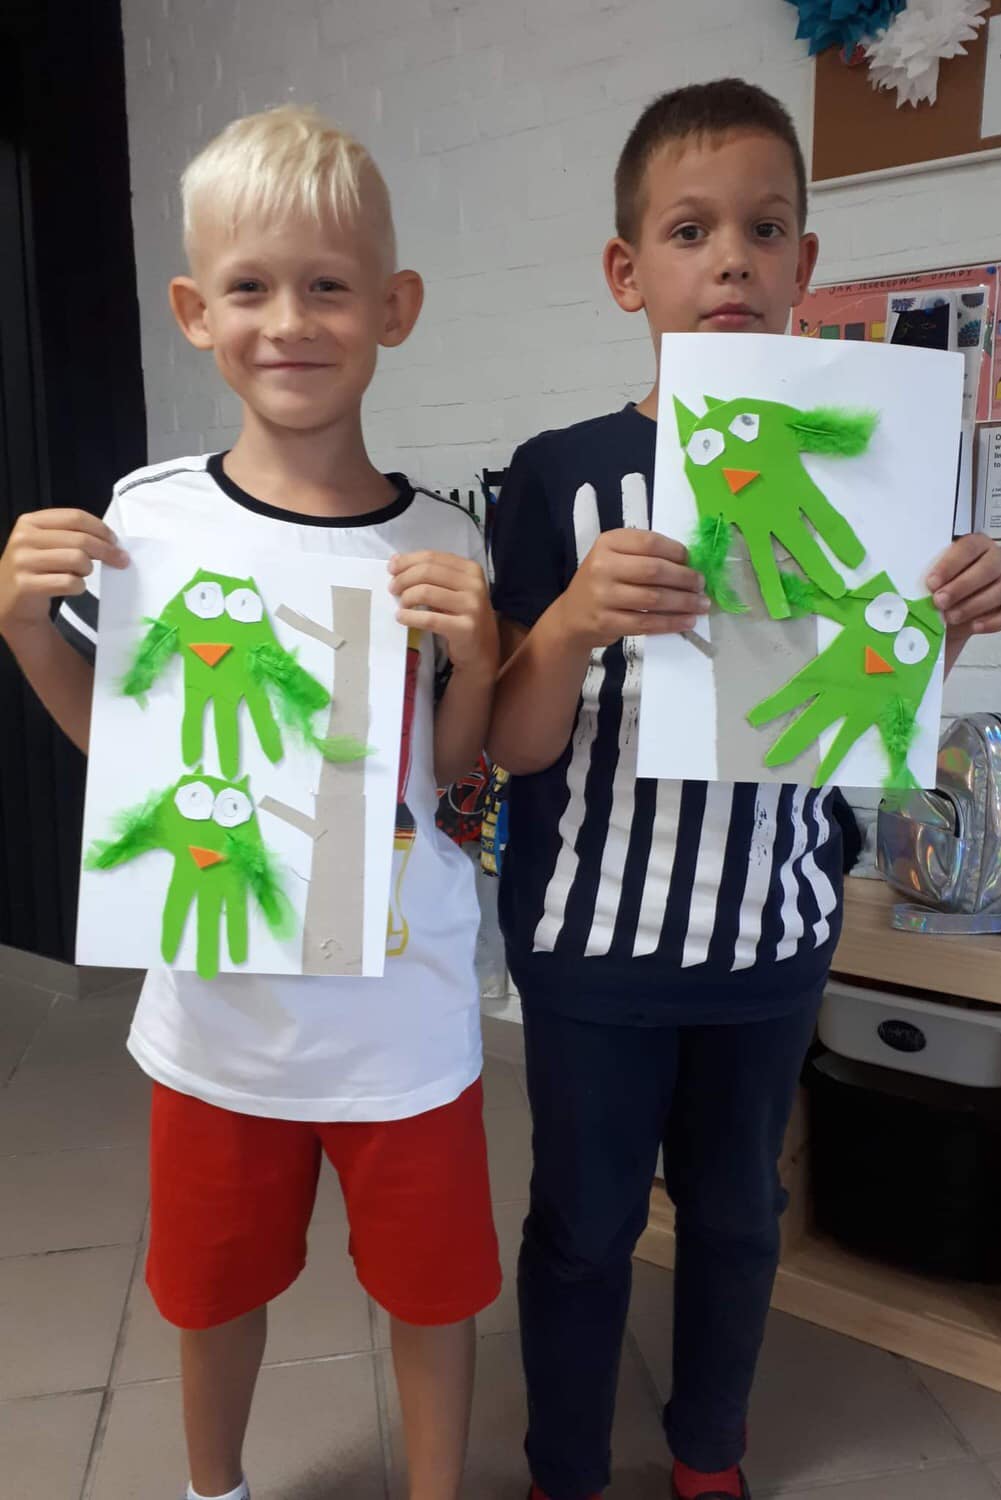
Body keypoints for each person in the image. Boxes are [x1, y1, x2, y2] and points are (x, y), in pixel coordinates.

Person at [488, 79, 1001, 1500]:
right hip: (593, 945)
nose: (729, 258)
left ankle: (707, 1453)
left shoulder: (881, 465)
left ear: (803, 263)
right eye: (689, 231)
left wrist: (950, 625)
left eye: (763, 229)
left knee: (736, 1217)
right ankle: (561, 1467)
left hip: (769, 938)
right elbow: (512, 744)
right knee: (585, 1226)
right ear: (628, 272)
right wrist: (569, 622)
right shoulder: (559, 477)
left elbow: (860, 720)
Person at [0, 105, 501, 1500]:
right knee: (211, 1294)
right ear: (193, 311)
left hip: (403, 1017)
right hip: (220, 1019)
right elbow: (133, 759)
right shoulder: (149, 519)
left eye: (328, 285)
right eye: (250, 287)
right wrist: (30, 629)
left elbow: (455, 773)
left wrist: (480, 657)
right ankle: (211, 1490)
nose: (289, 321)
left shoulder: (443, 536)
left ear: (393, 308)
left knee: (434, 1295)